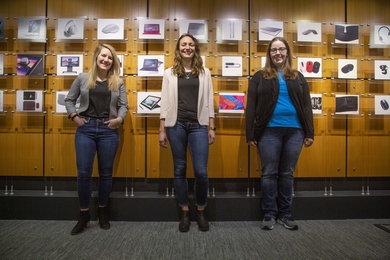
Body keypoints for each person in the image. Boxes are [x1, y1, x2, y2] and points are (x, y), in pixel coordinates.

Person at [246, 37, 314, 231]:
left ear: (287, 52)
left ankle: (285, 214)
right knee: (269, 173)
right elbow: (251, 106)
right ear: (269, 54)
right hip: (268, 131)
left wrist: (310, 132)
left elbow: (307, 105)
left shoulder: (298, 76)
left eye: (281, 49)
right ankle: (269, 214)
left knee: (287, 174)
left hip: (295, 131)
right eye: (274, 50)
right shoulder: (260, 76)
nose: (278, 53)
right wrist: (250, 133)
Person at [65, 44, 129, 235]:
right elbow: (69, 100)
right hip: (86, 129)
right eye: (103, 56)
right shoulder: (83, 78)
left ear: (113, 61)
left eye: (110, 58)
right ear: (96, 57)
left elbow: (124, 105)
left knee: (106, 173)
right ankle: (84, 215)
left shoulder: (118, 81)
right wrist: (74, 116)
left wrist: (119, 119)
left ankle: (102, 211)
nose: (106, 60)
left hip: (108, 130)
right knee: (83, 173)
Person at [159, 34, 216, 232]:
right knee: (179, 169)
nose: (187, 47)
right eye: (184, 44)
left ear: (195, 48)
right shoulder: (169, 73)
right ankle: (184, 211)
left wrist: (211, 126)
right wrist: (162, 130)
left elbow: (209, 100)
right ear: (178, 48)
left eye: (191, 44)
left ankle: (200, 210)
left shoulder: (204, 72)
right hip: (177, 125)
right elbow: (164, 103)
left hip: (199, 124)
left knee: (201, 171)